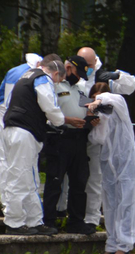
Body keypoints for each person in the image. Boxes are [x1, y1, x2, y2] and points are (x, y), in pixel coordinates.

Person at [1, 60, 69, 235]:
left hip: (14, 129)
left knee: (29, 178)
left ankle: (34, 221)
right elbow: (50, 104)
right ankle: (15, 223)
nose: (56, 84)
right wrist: (60, 121)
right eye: (59, 81)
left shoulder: (25, 76)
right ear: (55, 74)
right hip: (25, 131)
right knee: (20, 177)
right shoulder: (43, 79)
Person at [74, 46, 135, 229]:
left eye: (89, 64)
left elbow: (131, 86)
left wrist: (117, 76)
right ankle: (67, 212)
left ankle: (92, 218)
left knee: (96, 178)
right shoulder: (73, 75)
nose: (86, 68)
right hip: (77, 129)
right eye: (83, 65)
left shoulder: (103, 76)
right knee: (73, 178)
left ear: (95, 62)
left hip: (100, 131)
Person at [41, 56, 96, 234]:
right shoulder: (54, 86)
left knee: (79, 181)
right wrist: (68, 120)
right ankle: (49, 220)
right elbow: (48, 112)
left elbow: (86, 108)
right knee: (55, 180)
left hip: (79, 138)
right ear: (68, 68)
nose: (78, 77)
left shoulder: (81, 88)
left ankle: (76, 221)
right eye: (76, 72)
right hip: (60, 138)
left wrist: (91, 119)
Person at [87, 82, 135, 254]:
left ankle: (124, 244)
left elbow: (115, 98)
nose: (96, 100)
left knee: (127, 201)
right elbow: (97, 139)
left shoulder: (118, 105)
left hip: (126, 160)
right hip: (108, 163)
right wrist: (94, 122)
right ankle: (111, 243)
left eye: (98, 96)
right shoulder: (102, 115)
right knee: (110, 203)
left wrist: (98, 101)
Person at [0, 53, 50, 210]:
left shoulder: (16, 71)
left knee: (7, 161)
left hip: (6, 118)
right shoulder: (34, 76)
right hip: (17, 121)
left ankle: (9, 203)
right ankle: (16, 208)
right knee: (22, 166)